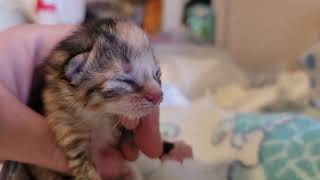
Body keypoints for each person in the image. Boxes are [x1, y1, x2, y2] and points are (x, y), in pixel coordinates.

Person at [0, 24, 192, 180]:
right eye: (124, 79)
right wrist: (80, 163)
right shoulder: (60, 107)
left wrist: (163, 148)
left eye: (155, 74)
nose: (157, 93)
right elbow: (76, 160)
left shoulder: (103, 103)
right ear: (76, 74)